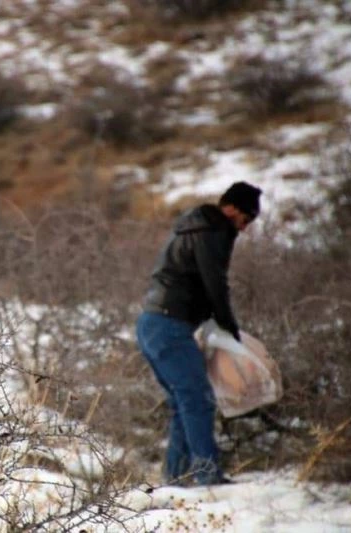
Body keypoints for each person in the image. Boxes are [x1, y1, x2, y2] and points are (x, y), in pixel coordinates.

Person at [136, 181, 262, 485]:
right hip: (169, 325)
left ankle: (175, 478)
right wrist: (228, 324)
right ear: (231, 209)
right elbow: (214, 282)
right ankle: (208, 477)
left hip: (151, 323)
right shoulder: (213, 230)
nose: (244, 229)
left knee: (183, 402)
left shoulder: (193, 225)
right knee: (198, 399)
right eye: (245, 220)